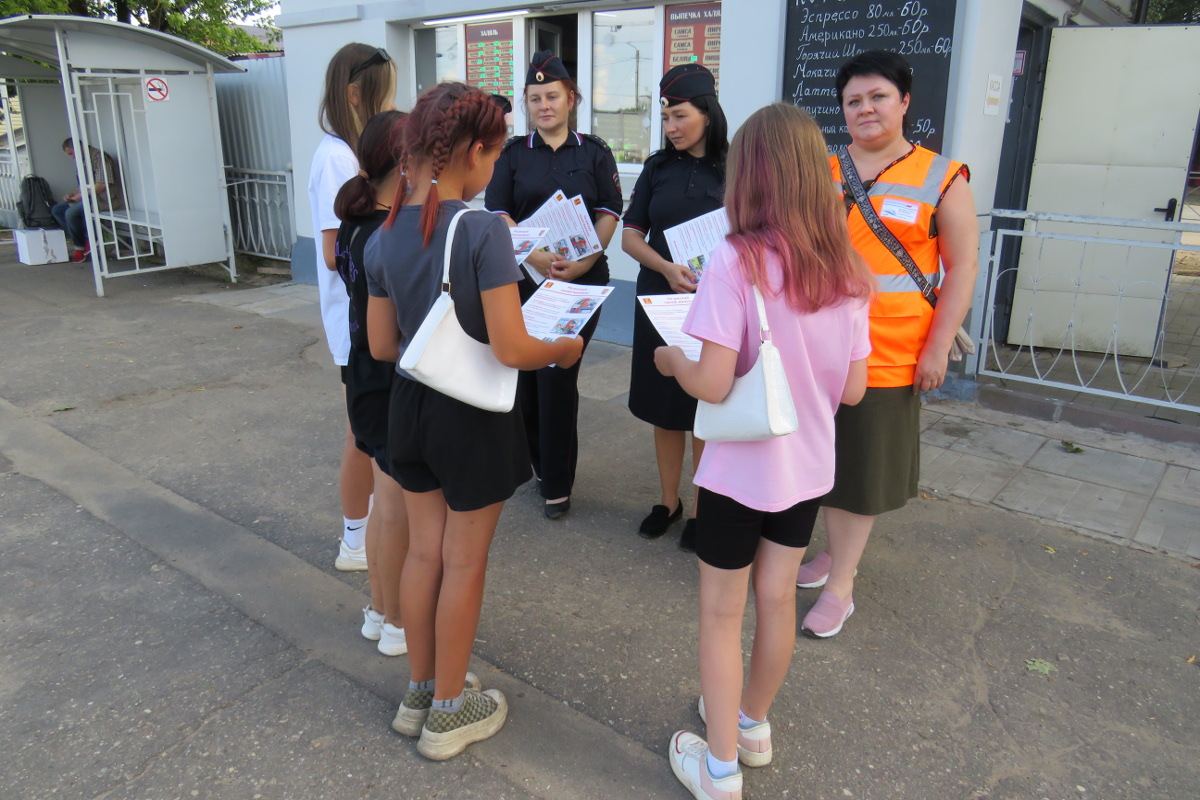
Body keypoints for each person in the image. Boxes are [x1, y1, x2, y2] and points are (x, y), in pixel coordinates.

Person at [655, 102, 872, 800]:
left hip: (739, 473)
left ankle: (718, 771)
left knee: (722, 615)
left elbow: (713, 382)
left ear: (748, 176)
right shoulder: (848, 266)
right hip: (807, 469)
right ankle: (751, 726)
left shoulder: (733, 260)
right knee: (778, 600)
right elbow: (856, 390)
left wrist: (671, 362)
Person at [364, 81, 584, 759]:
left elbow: (380, 346)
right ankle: (453, 713)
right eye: (496, 150)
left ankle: (422, 693)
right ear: (479, 152)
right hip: (472, 418)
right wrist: (566, 345)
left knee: (424, 553)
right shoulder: (483, 228)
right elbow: (513, 347)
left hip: (410, 406)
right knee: (464, 562)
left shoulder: (384, 231)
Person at [796, 50, 979, 638]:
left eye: (877, 97)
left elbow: (963, 268)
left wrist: (938, 345)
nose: (865, 108)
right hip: (819, 346)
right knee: (826, 461)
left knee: (865, 468)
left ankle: (843, 585)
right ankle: (833, 554)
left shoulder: (941, 177)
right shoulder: (820, 169)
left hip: (892, 351)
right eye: (853, 100)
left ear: (903, 102)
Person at [484, 50, 622, 520]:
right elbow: (499, 212)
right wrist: (534, 255)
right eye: (535, 98)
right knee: (527, 376)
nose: (544, 105)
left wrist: (587, 260)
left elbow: (609, 211)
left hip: (580, 284)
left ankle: (558, 484)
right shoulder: (513, 155)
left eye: (552, 96)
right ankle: (540, 465)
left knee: (559, 376)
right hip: (524, 281)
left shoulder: (595, 151)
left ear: (571, 99)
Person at [622, 63, 728, 550]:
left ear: (707, 111)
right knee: (665, 410)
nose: (672, 128)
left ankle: (706, 510)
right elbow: (629, 236)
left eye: (680, 116)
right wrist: (665, 268)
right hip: (661, 299)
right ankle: (669, 502)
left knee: (705, 406)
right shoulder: (657, 168)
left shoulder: (735, 167)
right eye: (665, 118)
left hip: (716, 306)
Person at [308, 43, 396, 572]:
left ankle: (360, 535)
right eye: (384, 93)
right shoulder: (340, 156)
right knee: (361, 434)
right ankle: (355, 538)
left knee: (365, 431)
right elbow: (331, 249)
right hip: (356, 317)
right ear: (356, 94)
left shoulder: (347, 150)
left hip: (365, 314)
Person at [331, 110, 410, 656]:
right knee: (397, 509)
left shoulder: (357, 222)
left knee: (386, 504)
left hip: (362, 372)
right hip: (389, 378)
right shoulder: (390, 232)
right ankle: (399, 623)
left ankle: (379, 611)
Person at [51, 138, 124, 263]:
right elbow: (83, 186)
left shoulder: (99, 157)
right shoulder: (83, 160)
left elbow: (101, 185)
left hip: (104, 199)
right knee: (57, 210)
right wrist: (72, 194)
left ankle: (80, 247)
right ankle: (85, 240)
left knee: (71, 212)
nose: (72, 157)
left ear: (79, 148)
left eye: (71, 153)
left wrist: (80, 196)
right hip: (89, 197)